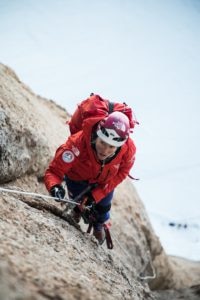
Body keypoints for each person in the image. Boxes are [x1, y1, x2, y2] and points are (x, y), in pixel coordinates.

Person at [44, 111, 136, 244]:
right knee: (77, 200)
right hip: (76, 177)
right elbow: (54, 171)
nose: (105, 150)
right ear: (96, 136)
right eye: (102, 142)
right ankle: (76, 210)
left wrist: (96, 195)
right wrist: (54, 187)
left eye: (111, 146)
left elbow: (122, 173)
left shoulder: (128, 151)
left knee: (103, 208)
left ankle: (99, 225)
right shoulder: (77, 143)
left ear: (120, 145)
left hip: (104, 182)